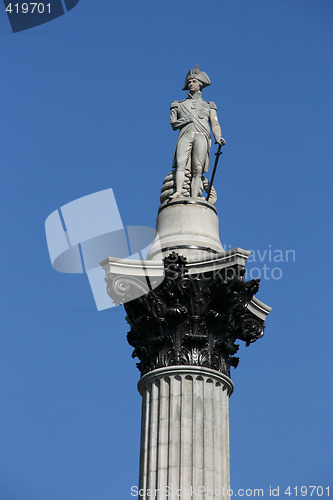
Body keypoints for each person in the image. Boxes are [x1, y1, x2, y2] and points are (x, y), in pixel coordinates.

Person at [170, 65, 225, 199]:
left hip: (202, 136)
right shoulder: (179, 104)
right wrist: (186, 120)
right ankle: (178, 191)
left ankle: (194, 196)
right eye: (189, 82)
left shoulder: (208, 105)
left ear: (200, 84)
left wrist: (218, 137)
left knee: (198, 169)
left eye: (194, 81)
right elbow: (173, 124)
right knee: (181, 164)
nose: (191, 84)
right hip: (185, 135)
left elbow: (215, 123)